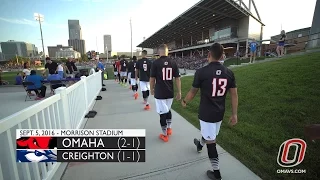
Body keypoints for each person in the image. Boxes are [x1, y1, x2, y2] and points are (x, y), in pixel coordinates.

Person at [181, 43, 238, 180]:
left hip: (206, 113)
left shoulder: (201, 72)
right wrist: (235, 114)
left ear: (208, 55)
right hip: (219, 113)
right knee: (209, 135)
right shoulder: (229, 73)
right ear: (222, 56)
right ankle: (199, 145)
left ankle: (216, 173)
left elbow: (193, 92)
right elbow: (234, 95)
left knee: (211, 141)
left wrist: (184, 101)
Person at [150, 44, 181, 142]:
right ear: (168, 51)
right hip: (170, 91)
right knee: (167, 110)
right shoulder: (173, 62)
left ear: (159, 52)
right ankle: (169, 128)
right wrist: (179, 91)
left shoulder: (156, 63)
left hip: (160, 92)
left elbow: (152, 79)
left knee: (162, 114)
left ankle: (165, 134)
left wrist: (151, 89)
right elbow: (177, 78)